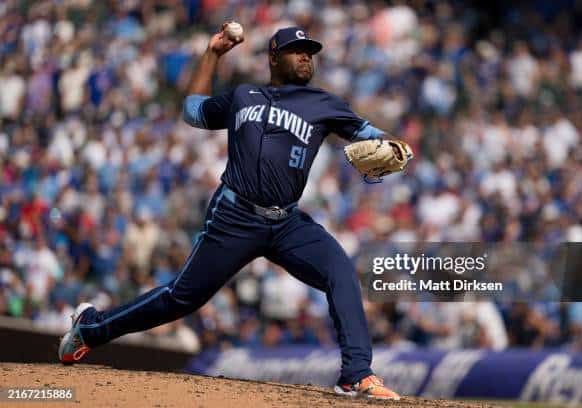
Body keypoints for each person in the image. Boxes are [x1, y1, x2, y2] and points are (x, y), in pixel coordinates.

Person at [59, 23, 402, 400]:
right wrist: (213, 54)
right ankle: (90, 328)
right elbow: (193, 112)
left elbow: (372, 135)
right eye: (297, 50)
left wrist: (393, 145)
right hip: (234, 217)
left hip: (287, 222)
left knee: (340, 271)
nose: (307, 56)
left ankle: (357, 374)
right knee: (180, 298)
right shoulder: (243, 95)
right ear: (273, 56)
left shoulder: (325, 104)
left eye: (311, 52)